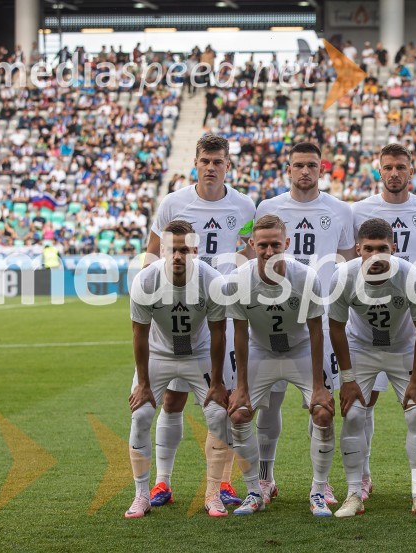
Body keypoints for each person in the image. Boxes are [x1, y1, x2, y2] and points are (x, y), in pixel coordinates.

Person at [144, 134, 256, 509]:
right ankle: (162, 482)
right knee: (172, 400)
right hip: (181, 313)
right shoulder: (173, 202)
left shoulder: (243, 205)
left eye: (218, 161)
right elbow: (151, 252)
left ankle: (221, 484)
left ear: (228, 165)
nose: (211, 167)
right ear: (196, 162)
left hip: (221, 313)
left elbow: (249, 250)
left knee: (223, 401)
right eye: (205, 160)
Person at [253, 142, 356, 505]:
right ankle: (265, 478)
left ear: (321, 168)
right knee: (268, 404)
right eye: (298, 165)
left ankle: (322, 482)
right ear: (289, 169)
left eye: (311, 165)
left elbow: (347, 260)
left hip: (320, 320)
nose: (305, 172)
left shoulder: (340, 210)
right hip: (271, 319)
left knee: (320, 401)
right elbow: (254, 252)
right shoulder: (268, 208)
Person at [225, 215, 336, 517]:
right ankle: (254, 491)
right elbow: (239, 333)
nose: (269, 250)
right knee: (238, 413)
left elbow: (316, 331)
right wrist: (241, 387)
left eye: (276, 244)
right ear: (252, 245)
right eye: (262, 245)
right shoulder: (238, 281)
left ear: (287, 244)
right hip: (262, 350)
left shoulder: (305, 277)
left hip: (299, 350)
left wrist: (317, 386)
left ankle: (318, 490)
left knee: (323, 411)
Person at [350, 143, 416, 500]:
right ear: (379, 170)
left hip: (411, 320)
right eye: (387, 167)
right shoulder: (358, 210)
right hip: (368, 323)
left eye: (400, 167)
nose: (394, 173)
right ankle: (363, 475)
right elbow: (348, 257)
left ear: (411, 172)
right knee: (364, 403)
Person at [328, 218, 416, 517]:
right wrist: (347, 378)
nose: (376, 256)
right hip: (362, 349)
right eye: (369, 249)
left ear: (395, 248)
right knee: (352, 415)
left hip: (403, 348)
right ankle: (353, 494)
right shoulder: (344, 275)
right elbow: (336, 327)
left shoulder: (410, 276)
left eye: (383, 249)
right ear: (358, 249)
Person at [125, 220, 230, 518]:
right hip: (159, 353)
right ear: (161, 251)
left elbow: (219, 333)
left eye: (184, 250)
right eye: (171, 249)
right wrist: (143, 384)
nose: (177, 256)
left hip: (198, 354)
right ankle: (142, 495)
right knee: (142, 413)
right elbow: (139, 335)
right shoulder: (146, 282)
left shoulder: (211, 281)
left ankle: (212, 494)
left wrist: (218, 382)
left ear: (195, 250)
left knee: (219, 414)